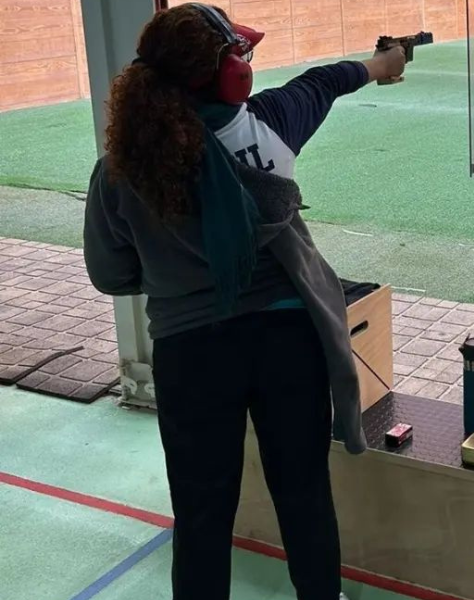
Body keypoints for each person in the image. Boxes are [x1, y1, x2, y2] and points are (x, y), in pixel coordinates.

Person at [82, 4, 406, 600]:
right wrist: (381, 66)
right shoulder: (271, 123)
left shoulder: (120, 169)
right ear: (230, 75)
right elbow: (325, 82)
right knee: (304, 497)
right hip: (288, 346)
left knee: (202, 516)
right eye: (240, 56)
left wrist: (171, 272)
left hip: (190, 356)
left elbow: (110, 273)